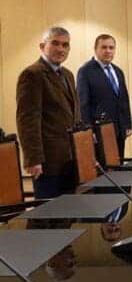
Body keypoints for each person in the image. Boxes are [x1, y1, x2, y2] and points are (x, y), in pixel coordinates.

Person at [16, 26, 80, 199]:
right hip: (47, 162)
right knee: (48, 212)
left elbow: (75, 115)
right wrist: (33, 159)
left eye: (65, 45)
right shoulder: (32, 74)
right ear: (42, 46)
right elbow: (27, 121)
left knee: (70, 210)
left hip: (70, 159)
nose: (61, 49)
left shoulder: (68, 75)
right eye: (55, 43)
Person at [76, 34, 132, 159]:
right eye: (104, 47)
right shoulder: (85, 71)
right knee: (104, 167)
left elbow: (124, 99)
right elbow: (83, 104)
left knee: (118, 165)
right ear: (95, 49)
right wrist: (88, 130)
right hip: (99, 131)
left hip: (119, 129)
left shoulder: (118, 71)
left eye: (111, 48)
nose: (108, 51)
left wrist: (128, 123)